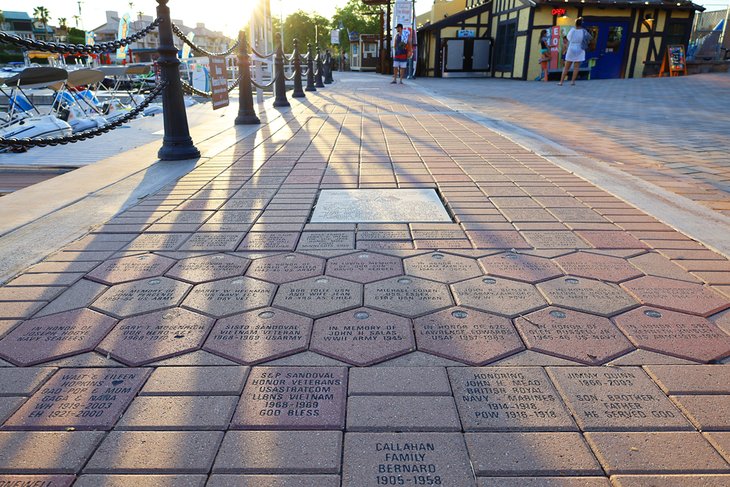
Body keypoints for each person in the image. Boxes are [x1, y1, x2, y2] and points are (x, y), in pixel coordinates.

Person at [559, 18, 587, 86]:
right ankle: (572, 81)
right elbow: (587, 38)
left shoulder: (572, 30)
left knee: (566, 67)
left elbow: (568, 38)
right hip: (580, 48)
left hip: (572, 47)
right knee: (576, 67)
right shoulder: (584, 31)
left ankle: (561, 82)